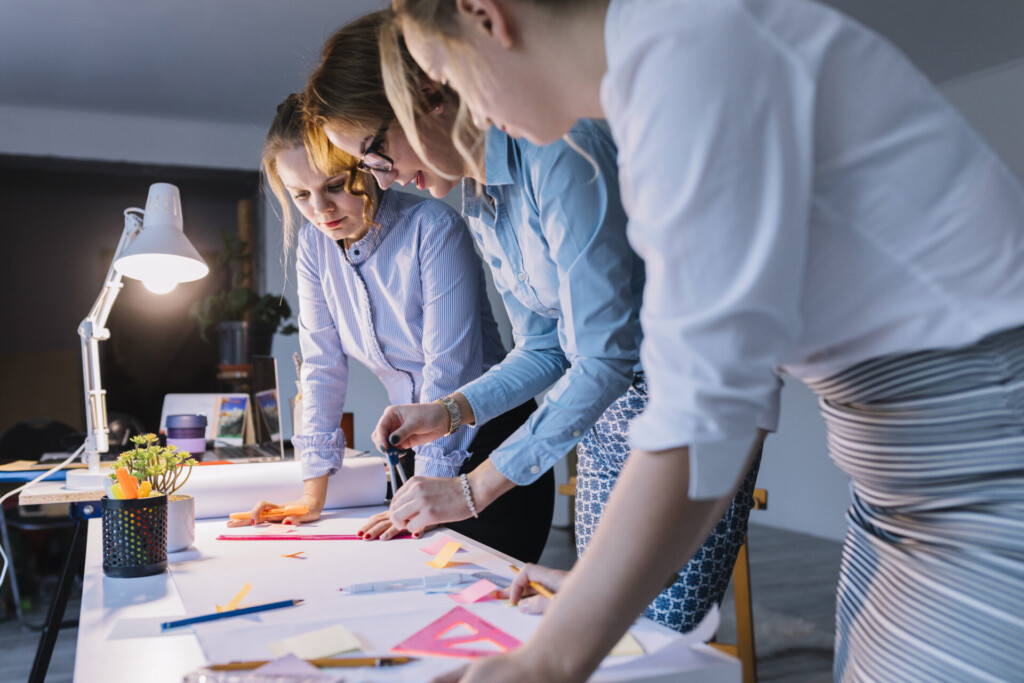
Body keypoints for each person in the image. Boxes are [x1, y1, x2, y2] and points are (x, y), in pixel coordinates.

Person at [388, 0, 1024, 681]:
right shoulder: (657, 68)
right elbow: (726, 403)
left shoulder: (686, 55)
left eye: (443, 75)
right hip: (895, 491)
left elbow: (708, 419)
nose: (463, 114)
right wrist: (598, 589)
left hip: (983, 480)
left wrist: (550, 658)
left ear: (485, 15)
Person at [301, 11, 763, 633]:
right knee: (613, 631)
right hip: (599, 426)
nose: (383, 177)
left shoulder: (557, 149)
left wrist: (471, 490)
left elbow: (604, 357)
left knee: (651, 635)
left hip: (683, 415)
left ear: (428, 95)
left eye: (376, 152)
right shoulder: (480, 195)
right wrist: (451, 411)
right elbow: (546, 346)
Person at [232, 93, 553, 564]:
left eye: (335, 185)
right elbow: (321, 365)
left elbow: (449, 371)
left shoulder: (433, 227)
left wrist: (429, 492)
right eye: (301, 195)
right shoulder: (314, 247)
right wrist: (312, 493)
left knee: (486, 605)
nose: (321, 210)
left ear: (369, 165)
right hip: (415, 447)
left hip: (490, 440)